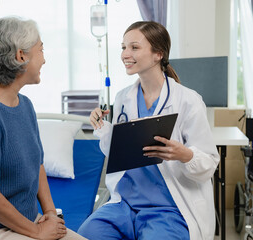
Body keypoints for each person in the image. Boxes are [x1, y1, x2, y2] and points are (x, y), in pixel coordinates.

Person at [77, 21, 220, 240]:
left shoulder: (188, 101)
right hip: (125, 204)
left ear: (158, 54)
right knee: (86, 234)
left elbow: (209, 163)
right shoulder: (122, 98)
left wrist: (185, 155)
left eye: (134, 47)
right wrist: (102, 128)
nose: (125, 54)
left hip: (168, 209)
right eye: (123, 47)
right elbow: (119, 153)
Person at [0, 16, 86, 240]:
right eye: (41, 50)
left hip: (23, 221)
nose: (44, 60)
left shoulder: (25, 105)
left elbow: (38, 166)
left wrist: (51, 214)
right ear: (20, 56)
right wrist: (37, 232)